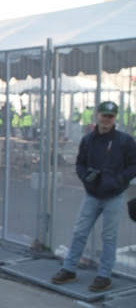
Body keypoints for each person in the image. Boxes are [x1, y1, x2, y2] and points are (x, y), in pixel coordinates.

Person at [51, 101, 136, 292]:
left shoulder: (125, 141)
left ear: (115, 118)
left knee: (109, 236)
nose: (106, 120)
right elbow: (80, 163)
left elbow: (134, 165)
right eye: (103, 115)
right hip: (92, 194)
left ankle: (104, 275)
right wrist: (85, 178)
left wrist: (120, 178)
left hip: (114, 195)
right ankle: (69, 268)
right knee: (80, 231)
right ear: (97, 115)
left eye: (110, 116)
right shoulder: (88, 140)